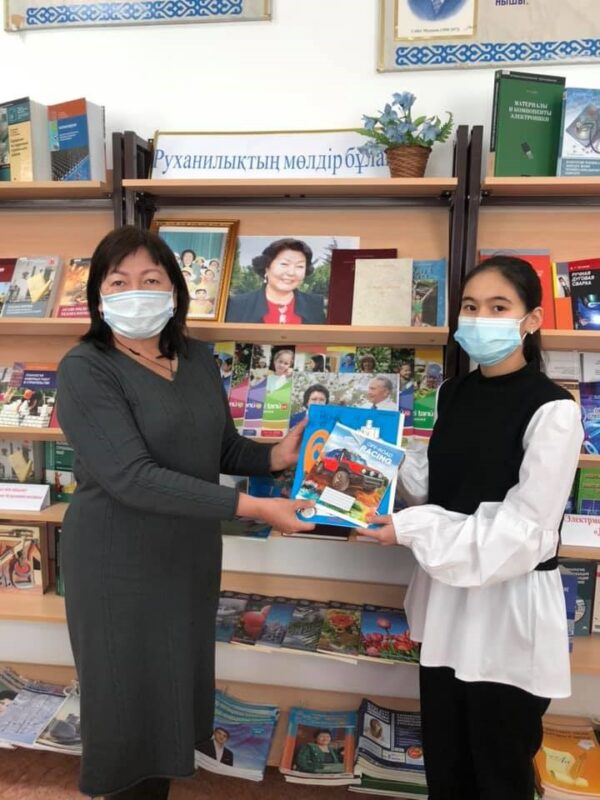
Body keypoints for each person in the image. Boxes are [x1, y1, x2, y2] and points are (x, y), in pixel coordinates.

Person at [56, 225, 315, 800]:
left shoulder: (196, 358)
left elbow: (219, 447)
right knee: (126, 705)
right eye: (118, 281)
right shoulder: (85, 368)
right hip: (117, 562)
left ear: (175, 289)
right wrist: (256, 507)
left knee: (170, 695)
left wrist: (275, 455)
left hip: (187, 557)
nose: (136, 291)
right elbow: (132, 476)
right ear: (97, 295)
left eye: (151, 279)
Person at [366, 256, 583, 800]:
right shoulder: (453, 393)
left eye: (498, 307)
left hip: (507, 611)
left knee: (499, 769)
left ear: (532, 320)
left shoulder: (554, 411)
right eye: (470, 306)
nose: (480, 318)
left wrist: (411, 529)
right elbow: (435, 485)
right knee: (447, 759)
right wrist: (371, 454)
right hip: (446, 601)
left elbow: (522, 532)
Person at [225, 238, 325, 324]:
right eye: (284, 264)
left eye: (300, 266)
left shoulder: (315, 305)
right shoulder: (237, 305)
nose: (291, 272)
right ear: (267, 267)